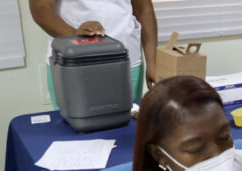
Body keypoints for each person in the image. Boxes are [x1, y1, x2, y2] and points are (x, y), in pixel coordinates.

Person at [30, 0, 158, 106]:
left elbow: (143, 9)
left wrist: (152, 62)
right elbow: (40, 7)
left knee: (125, 126)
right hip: (72, 62)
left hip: (126, 57)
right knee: (75, 126)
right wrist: (75, 36)